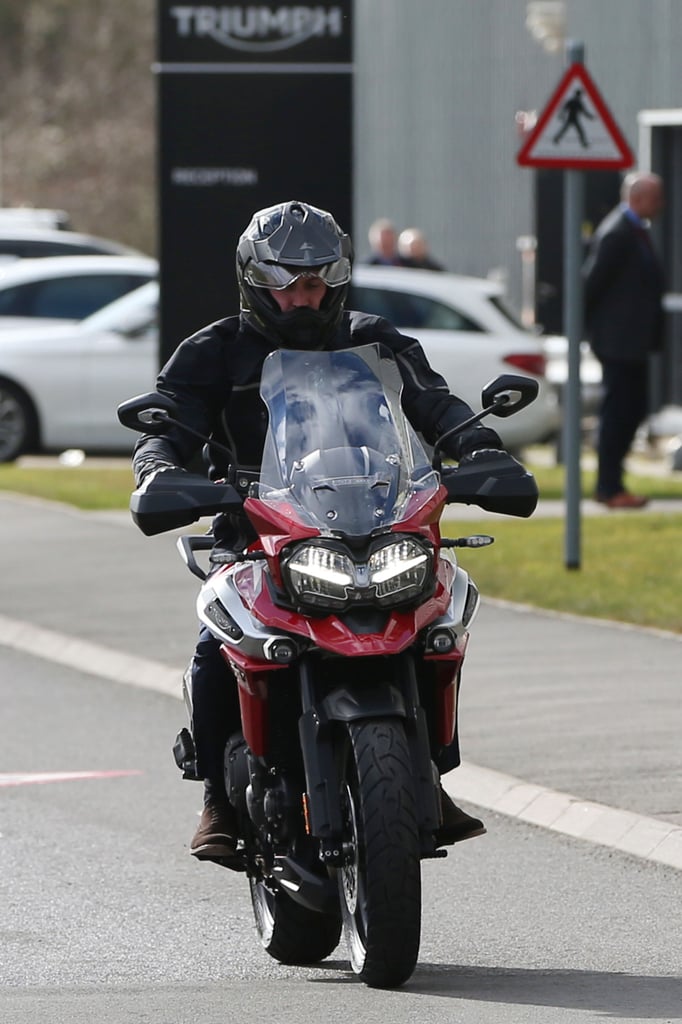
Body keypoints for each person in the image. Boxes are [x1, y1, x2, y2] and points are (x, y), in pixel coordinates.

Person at [133, 200, 509, 861]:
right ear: (256, 282)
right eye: (287, 286)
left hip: (373, 520)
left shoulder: (377, 342)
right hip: (256, 528)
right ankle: (219, 800)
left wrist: (480, 448)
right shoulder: (213, 350)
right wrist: (160, 469)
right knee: (217, 636)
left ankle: (424, 773)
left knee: (436, 620)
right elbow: (171, 425)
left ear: (336, 281)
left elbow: (435, 405)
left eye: (316, 285)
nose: (303, 300)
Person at [583, 171, 665, 508]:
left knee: (633, 410)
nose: (660, 205)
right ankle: (609, 487)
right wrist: (602, 334)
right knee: (618, 414)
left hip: (631, 344)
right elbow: (590, 286)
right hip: (618, 344)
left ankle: (614, 483)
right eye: (656, 197)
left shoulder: (633, 230)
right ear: (638, 197)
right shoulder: (617, 233)